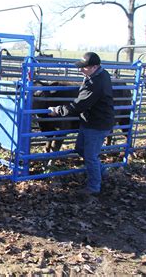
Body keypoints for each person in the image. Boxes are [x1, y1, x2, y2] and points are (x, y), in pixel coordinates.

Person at [48, 52, 115, 195]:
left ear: (95, 67)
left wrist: (57, 110)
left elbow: (79, 105)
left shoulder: (95, 84)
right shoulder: (101, 75)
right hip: (90, 121)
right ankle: (102, 171)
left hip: (97, 124)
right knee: (81, 149)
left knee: (90, 156)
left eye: (84, 67)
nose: (81, 70)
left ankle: (94, 188)